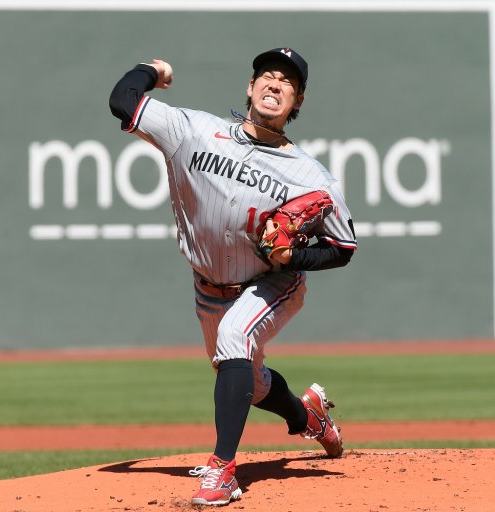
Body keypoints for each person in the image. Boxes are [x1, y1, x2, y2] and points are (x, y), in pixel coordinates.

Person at [109, 47, 357, 506]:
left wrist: (291, 260)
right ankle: (310, 416)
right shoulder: (194, 131)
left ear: (297, 102)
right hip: (208, 287)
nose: (274, 84)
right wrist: (152, 70)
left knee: (234, 338)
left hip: (271, 282)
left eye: (287, 82)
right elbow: (124, 102)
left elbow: (343, 247)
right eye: (267, 75)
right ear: (250, 86)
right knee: (252, 382)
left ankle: (222, 471)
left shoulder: (311, 175)